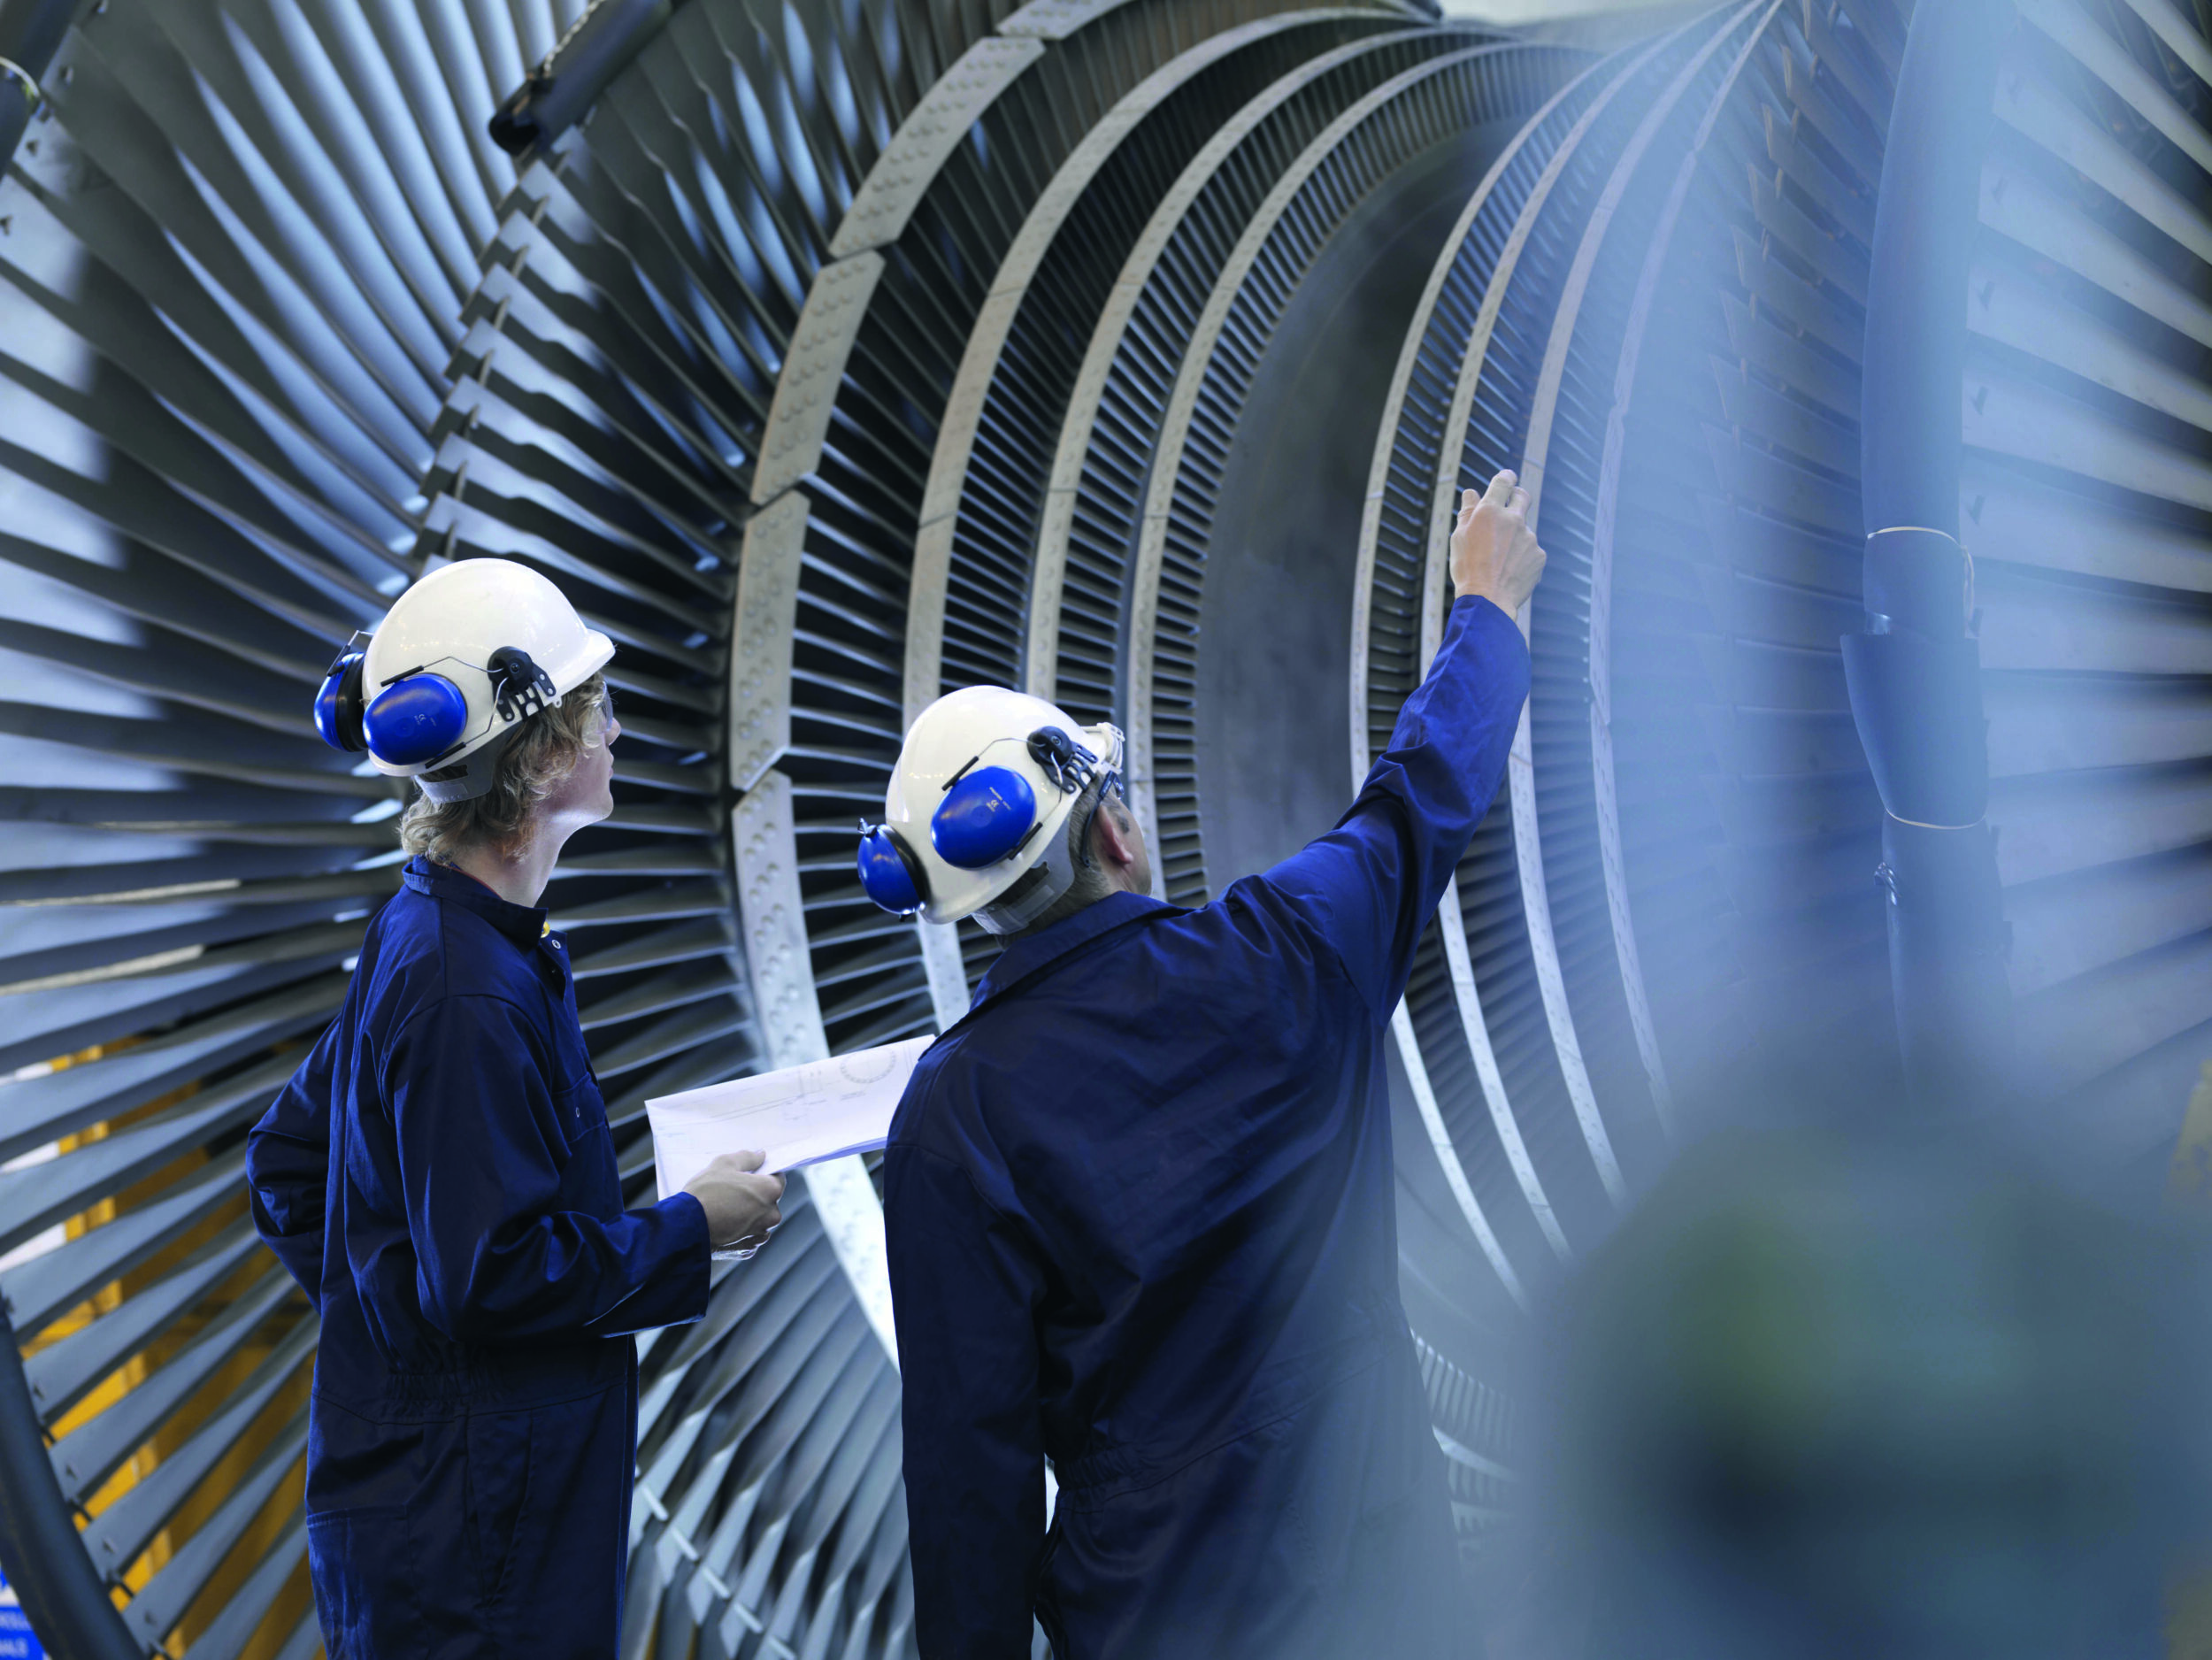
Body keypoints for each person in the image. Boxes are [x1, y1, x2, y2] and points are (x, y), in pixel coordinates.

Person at [856, 472, 1547, 1656]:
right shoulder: (1287, 953)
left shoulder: (952, 1117)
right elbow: (1420, 796)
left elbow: (973, 1479)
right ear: (1113, 828)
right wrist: (1487, 606)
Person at [245, 558, 785, 1659]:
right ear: (540, 761)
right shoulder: (464, 991)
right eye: (597, 712)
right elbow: (490, 1272)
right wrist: (695, 1227)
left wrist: (400, 1349)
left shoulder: (436, 940)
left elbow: (287, 1165)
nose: (617, 732)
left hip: (444, 1504)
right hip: (470, 1542)